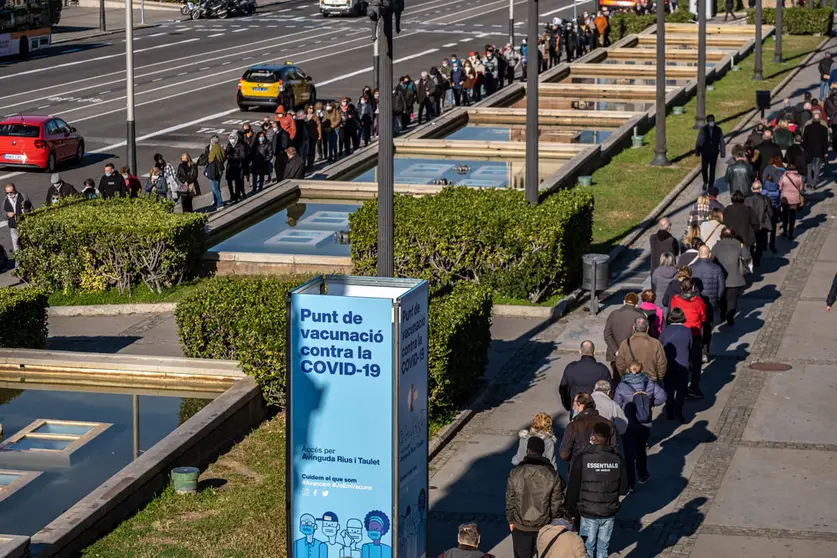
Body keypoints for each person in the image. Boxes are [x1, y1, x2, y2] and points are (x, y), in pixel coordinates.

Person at [565, 421, 627, 558]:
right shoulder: (617, 460)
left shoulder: (582, 459)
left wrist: (569, 510)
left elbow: (573, 488)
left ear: (593, 437)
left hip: (588, 511)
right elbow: (624, 489)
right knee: (603, 549)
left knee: (586, 548)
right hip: (609, 511)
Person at [506, 436, 566, 558]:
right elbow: (556, 504)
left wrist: (511, 520)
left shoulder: (516, 473)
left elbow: (510, 501)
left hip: (520, 524)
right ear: (542, 452)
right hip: (543, 524)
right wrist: (554, 521)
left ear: (528, 451)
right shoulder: (552, 474)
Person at [613, 361, 667, 487]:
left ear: (628, 369)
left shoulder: (622, 385)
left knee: (628, 453)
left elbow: (616, 403)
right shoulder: (649, 382)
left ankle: (630, 482)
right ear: (641, 369)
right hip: (645, 423)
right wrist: (651, 403)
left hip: (628, 423)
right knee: (641, 449)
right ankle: (643, 474)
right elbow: (662, 397)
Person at [669, 278, 707, 398]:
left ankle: (680, 386)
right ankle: (694, 387)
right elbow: (703, 317)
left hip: (679, 334)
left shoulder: (675, 300)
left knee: (681, 361)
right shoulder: (698, 302)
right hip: (694, 334)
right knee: (696, 363)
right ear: (693, 288)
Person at [558, 392, 618, 465]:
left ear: (580, 405)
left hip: (580, 468)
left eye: (574, 405)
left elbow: (564, 454)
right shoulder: (608, 423)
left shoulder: (573, 426)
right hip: (603, 467)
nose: (573, 408)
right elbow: (614, 449)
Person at [690, 245, 725, 359]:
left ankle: (695, 349)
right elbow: (721, 286)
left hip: (695, 302)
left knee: (695, 326)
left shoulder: (691, 268)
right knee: (708, 326)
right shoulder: (716, 268)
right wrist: (717, 299)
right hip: (710, 302)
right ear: (709, 254)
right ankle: (705, 351)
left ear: (698, 254)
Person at [713, 227, 752, 326]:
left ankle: (723, 314)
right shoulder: (740, 245)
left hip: (720, 277)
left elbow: (712, 259)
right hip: (735, 278)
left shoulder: (717, 246)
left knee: (722, 298)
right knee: (732, 299)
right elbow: (747, 257)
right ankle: (730, 317)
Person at [559, 340, 612, 412]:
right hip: (597, 410)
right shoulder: (602, 370)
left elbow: (563, 389)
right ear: (594, 352)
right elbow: (609, 390)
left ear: (580, 351)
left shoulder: (571, 368)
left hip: (576, 408)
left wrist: (569, 405)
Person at [659, 308, 692, 423]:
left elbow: (660, 346)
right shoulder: (687, 331)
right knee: (681, 390)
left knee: (669, 389)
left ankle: (669, 410)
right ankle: (679, 410)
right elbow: (690, 346)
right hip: (683, 364)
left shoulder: (665, 331)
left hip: (669, 364)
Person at [615, 316, 667, 383]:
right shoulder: (656, 343)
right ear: (647, 328)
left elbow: (620, 364)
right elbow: (662, 363)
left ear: (633, 328)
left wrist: (626, 375)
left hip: (631, 379)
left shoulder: (625, 343)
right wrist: (658, 378)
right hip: (650, 380)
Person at [603, 292, 643, 377]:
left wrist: (616, 351)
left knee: (617, 379)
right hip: (632, 356)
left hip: (615, 356)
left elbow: (607, 334)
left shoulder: (613, 314)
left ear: (624, 302)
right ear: (636, 304)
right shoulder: (639, 316)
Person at [745, 179, 772, 266]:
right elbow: (770, 212)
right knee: (760, 243)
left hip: (751, 225)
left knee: (751, 243)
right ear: (760, 189)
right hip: (762, 224)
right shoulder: (765, 199)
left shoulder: (747, 200)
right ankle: (757, 259)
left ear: (752, 189)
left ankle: (752, 257)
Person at [695, 114, 726, 190]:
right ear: (707, 121)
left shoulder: (718, 130)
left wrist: (723, 153)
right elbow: (699, 141)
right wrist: (697, 151)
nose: (711, 122)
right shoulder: (703, 129)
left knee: (712, 169)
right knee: (704, 168)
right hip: (705, 152)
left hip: (714, 153)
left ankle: (711, 184)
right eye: (710, 120)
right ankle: (705, 181)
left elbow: (722, 141)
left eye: (712, 120)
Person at [778, 162, 804, 239]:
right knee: (792, 216)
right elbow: (801, 188)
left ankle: (785, 231)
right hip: (795, 199)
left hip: (785, 199)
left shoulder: (784, 177)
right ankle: (791, 233)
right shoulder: (799, 177)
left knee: (785, 215)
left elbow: (779, 187)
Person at [802, 111, 828, 188]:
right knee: (817, 167)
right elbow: (825, 141)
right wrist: (825, 152)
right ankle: (814, 182)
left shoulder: (807, 127)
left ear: (812, 119)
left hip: (809, 150)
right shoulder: (823, 128)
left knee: (809, 167)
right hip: (819, 151)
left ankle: (810, 182)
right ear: (820, 119)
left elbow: (804, 140)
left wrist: (804, 148)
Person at [4, 183, 31, 254]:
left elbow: (30, 208)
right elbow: (2, 213)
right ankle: (18, 263)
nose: (9, 194)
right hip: (13, 226)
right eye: (7, 193)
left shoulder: (22, 196)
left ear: (15, 190)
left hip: (24, 224)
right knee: (16, 246)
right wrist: (7, 214)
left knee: (27, 243)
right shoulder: (6, 200)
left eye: (11, 192)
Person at [224, 132, 247, 203]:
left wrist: (233, 157)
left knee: (238, 182)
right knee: (229, 182)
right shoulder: (229, 145)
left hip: (238, 166)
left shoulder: (240, 146)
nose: (231, 140)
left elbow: (242, 156)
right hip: (230, 166)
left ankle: (237, 195)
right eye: (230, 138)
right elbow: (225, 154)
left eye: (233, 138)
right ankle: (232, 195)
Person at [205, 135, 226, 211]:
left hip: (214, 171)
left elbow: (210, 159)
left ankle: (220, 203)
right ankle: (216, 202)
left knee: (215, 188)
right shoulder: (221, 147)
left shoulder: (214, 148)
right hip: (220, 170)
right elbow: (224, 157)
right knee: (216, 187)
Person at [250, 131, 273, 195]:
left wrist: (266, 159)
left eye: (262, 136)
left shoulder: (267, 144)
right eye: (260, 136)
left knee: (261, 176)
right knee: (254, 177)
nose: (261, 137)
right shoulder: (255, 145)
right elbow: (251, 153)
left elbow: (270, 153)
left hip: (263, 162)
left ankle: (260, 188)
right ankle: (254, 189)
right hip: (255, 162)